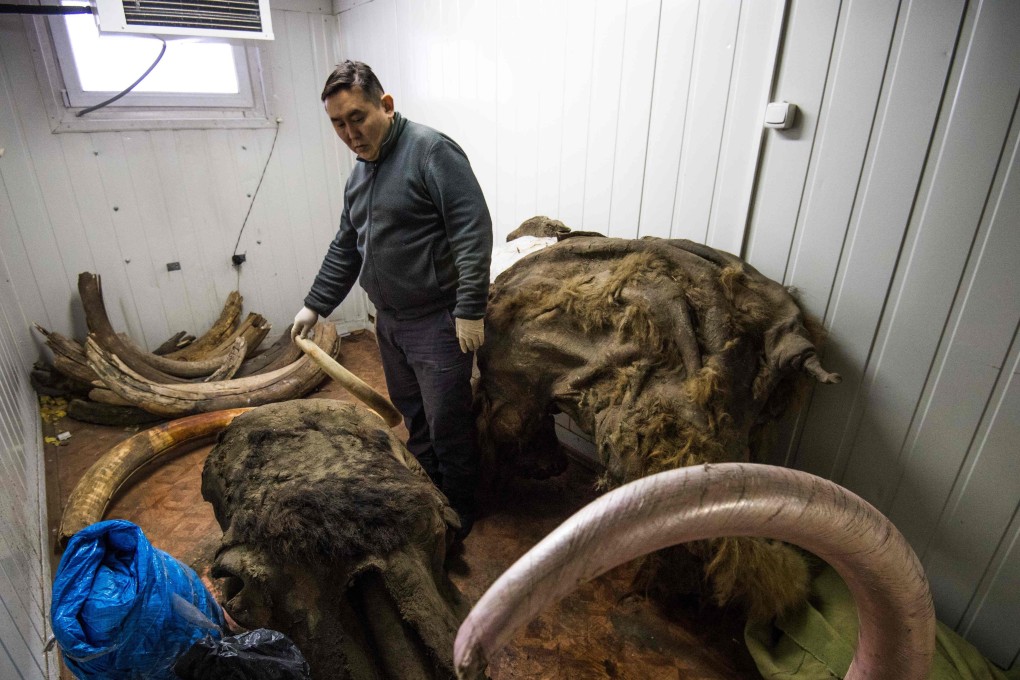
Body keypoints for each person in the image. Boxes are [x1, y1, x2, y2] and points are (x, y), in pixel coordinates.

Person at [291, 60, 492, 542]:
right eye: (338, 124)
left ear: (385, 104)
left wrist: (469, 308)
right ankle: (428, 497)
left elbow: (472, 230)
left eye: (357, 117)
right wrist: (315, 305)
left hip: (437, 321)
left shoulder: (431, 151)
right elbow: (346, 246)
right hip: (391, 322)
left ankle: (460, 511)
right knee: (413, 417)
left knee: (447, 423)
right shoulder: (359, 175)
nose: (349, 133)